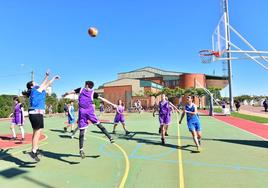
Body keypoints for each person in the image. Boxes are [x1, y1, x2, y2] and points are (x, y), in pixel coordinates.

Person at [62, 81, 114, 159]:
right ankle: (81, 150)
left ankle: (110, 137)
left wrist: (112, 104)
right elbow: (72, 91)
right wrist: (66, 94)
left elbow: (102, 98)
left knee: (99, 125)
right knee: (82, 132)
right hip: (83, 113)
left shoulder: (92, 92)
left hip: (89, 112)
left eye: (85, 84)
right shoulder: (81, 89)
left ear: (87, 85)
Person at [22, 70, 60, 162]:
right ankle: (33, 151)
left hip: (34, 113)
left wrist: (49, 77)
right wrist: (49, 77)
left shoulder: (36, 90)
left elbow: (44, 84)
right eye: (34, 82)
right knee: (37, 132)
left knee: (36, 132)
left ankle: (36, 149)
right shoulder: (36, 90)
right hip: (36, 113)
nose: (36, 82)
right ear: (32, 86)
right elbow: (45, 84)